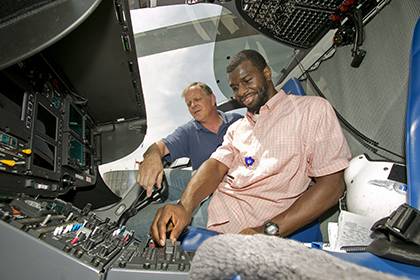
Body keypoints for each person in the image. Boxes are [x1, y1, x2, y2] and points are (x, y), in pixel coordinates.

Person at [150, 49, 352, 246]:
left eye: (247, 81)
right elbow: (216, 165)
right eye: (235, 87)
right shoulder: (238, 128)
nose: (241, 92)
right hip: (209, 209)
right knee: (144, 226)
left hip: (240, 232)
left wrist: (266, 232)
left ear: (266, 73)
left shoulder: (312, 110)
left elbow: (333, 186)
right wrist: (184, 206)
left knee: (138, 228)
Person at [127, 82, 242, 239]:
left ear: (213, 99)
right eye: (189, 104)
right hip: (198, 179)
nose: (193, 105)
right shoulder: (188, 131)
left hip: (229, 187)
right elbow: (159, 146)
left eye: (197, 99)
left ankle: (183, 216)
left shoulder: (238, 121)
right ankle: (131, 210)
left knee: (135, 226)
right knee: (163, 177)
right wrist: (152, 156)